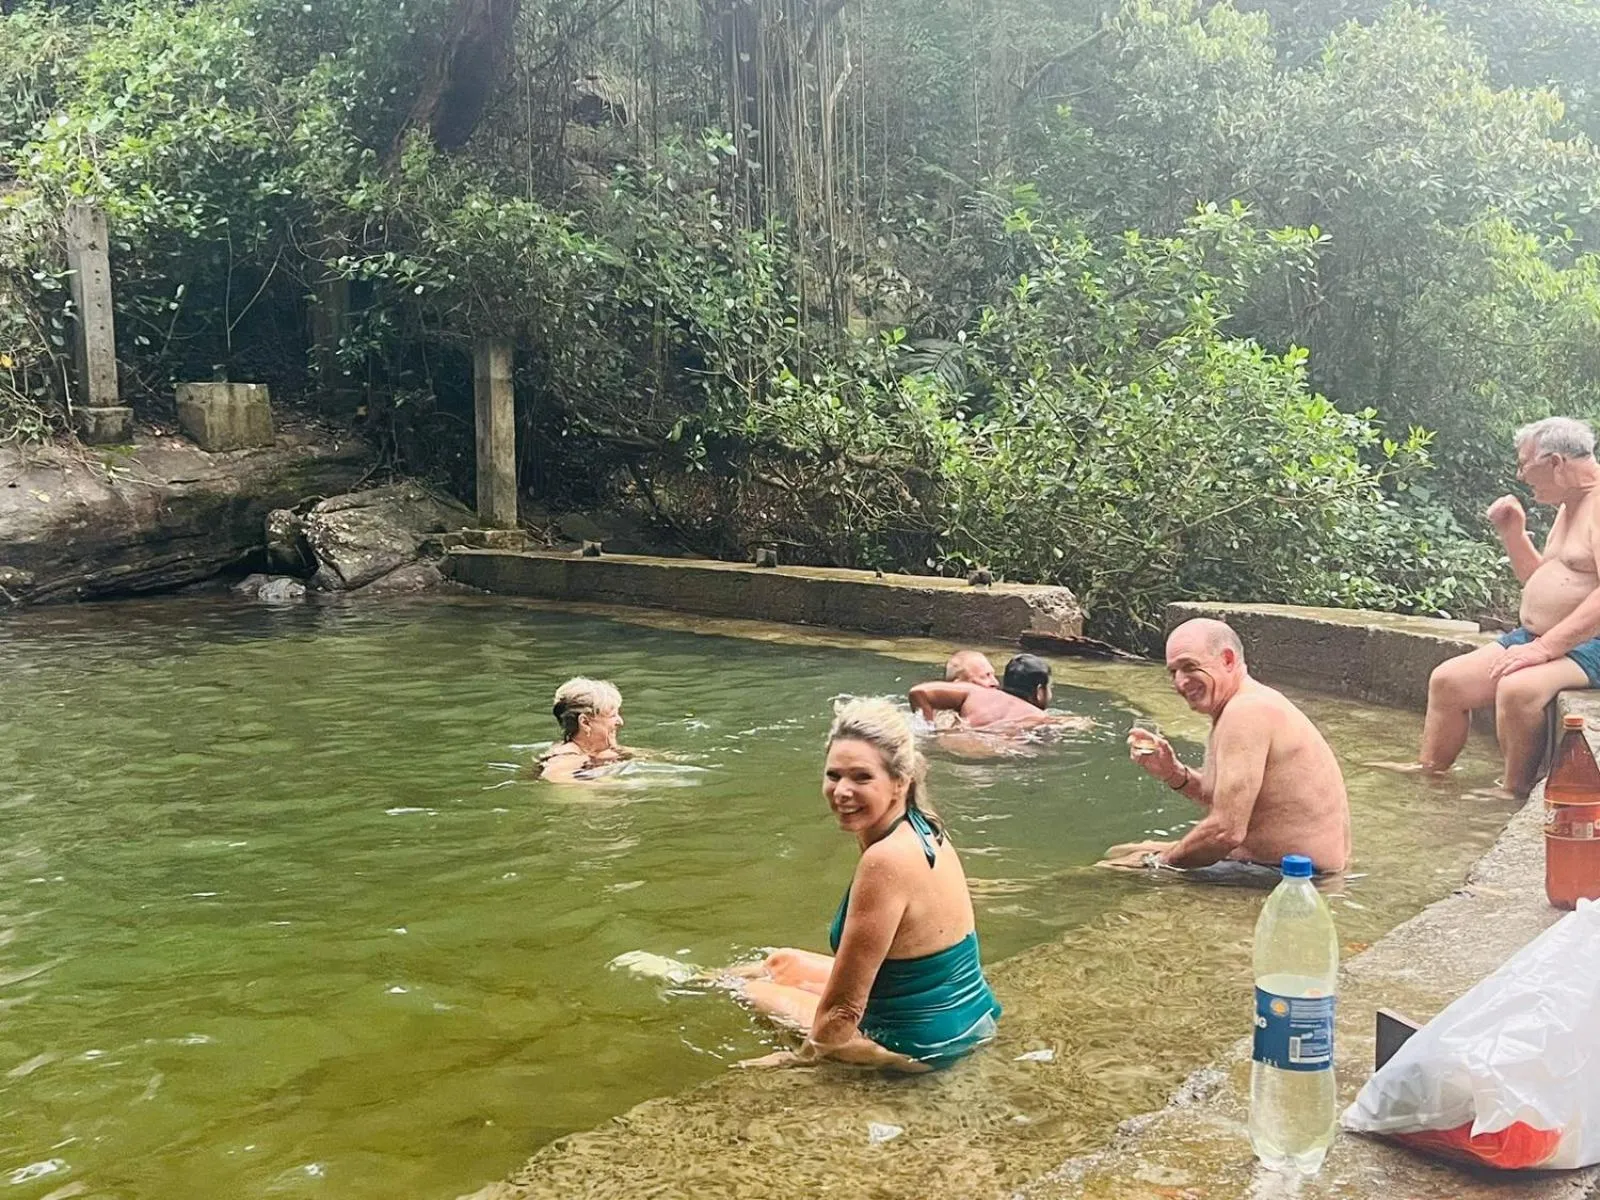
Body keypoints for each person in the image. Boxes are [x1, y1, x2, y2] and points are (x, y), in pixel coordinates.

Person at [728, 698, 1002, 1070]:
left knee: (752, 990)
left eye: (861, 777)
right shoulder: (926, 826)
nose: (841, 791)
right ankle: (695, 975)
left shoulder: (885, 860)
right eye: (833, 775)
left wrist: (798, 1059)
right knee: (781, 961)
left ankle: (687, 980)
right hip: (971, 1020)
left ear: (900, 782)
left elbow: (842, 1012)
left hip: (921, 1047)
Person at [1379, 418, 1600, 798]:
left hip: (1589, 643)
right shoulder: (1569, 505)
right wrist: (1513, 532)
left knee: (1517, 690)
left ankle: (1511, 790)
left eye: (1524, 465)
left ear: (1556, 463)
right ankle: (1429, 771)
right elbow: (1543, 579)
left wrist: (1544, 649)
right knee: (1448, 682)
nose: (1520, 476)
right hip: (1540, 635)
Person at [1102, 618, 1351, 875]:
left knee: (1106, 871)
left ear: (1228, 660)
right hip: (1284, 863)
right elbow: (1225, 801)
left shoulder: (1245, 712)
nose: (1180, 682)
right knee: (1120, 852)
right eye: (1173, 672)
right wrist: (1173, 773)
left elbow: (1225, 831)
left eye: (1190, 667)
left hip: (1296, 874)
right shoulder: (1241, 705)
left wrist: (1157, 863)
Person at [908, 653, 1063, 731]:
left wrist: (929, 731)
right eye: (986, 676)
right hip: (990, 750)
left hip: (949, 741)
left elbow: (918, 692)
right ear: (1039, 691)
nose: (994, 682)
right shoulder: (1041, 718)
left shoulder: (976, 694)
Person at [537, 677, 636, 782]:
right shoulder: (568, 757)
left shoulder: (601, 751)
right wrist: (618, 786)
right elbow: (555, 778)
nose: (620, 722)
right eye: (613, 716)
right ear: (585, 722)